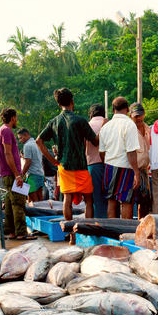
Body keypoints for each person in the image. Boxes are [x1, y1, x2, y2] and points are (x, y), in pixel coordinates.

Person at [36, 88, 99, 221]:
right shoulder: (80, 120)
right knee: (88, 200)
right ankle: (87, 230)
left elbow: (39, 141)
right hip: (81, 165)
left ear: (59, 104)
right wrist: (104, 128)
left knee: (67, 199)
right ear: (72, 101)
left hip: (64, 166)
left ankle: (70, 232)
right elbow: (95, 141)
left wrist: (52, 160)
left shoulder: (54, 122)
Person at [98, 96, 142, 219]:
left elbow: (101, 152)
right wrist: (136, 172)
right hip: (125, 167)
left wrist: (107, 162)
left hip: (109, 167)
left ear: (113, 110)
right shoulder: (129, 125)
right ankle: (125, 234)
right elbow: (131, 152)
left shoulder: (106, 127)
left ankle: (113, 233)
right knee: (127, 202)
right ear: (127, 109)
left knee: (111, 201)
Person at [0, 108, 29, 240]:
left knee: (9, 203)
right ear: (13, 118)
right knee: (18, 203)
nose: (17, 120)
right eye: (16, 118)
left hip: (6, 173)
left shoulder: (0, 131)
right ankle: (21, 232)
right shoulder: (7, 131)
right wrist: (17, 174)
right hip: (11, 173)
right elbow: (7, 153)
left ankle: (11, 231)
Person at [87, 104, 108, 218]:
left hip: (92, 165)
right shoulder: (109, 124)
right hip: (110, 165)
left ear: (91, 114)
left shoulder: (87, 125)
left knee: (96, 198)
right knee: (110, 198)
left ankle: (98, 225)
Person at [131, 103, 152, 217]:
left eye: (140, 115)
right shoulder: (130, 130)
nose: (138, 118)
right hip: (133, 170)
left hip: (144, 170)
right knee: (131, 201)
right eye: (135, 116)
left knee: (144, 201)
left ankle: (142, 225)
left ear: (144, 115)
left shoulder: (148, 128)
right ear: (131, 116)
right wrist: (135, 172)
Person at [19, 128, 45, 202]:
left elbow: (28, 162)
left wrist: (21, 175)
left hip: (33, 175)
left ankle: (38, 213)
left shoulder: (27, 145)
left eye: (21, 138)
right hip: (40, 174)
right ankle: (44, 213)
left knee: (34, 200)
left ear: (26, 135)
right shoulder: (37, 143)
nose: (20, 141)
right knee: (40, 199)